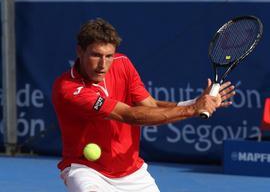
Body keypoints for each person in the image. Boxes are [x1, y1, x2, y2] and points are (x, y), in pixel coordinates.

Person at [52, 18, 235, 192]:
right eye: (96, 55)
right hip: (87, 170)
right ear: (79, 51)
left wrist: (195, 102)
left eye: (109, 56)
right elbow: (129, 115)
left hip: (132, 172)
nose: (103, 64)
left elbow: (152, 106)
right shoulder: (70, 89)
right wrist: (193, 109)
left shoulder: (122, 63)